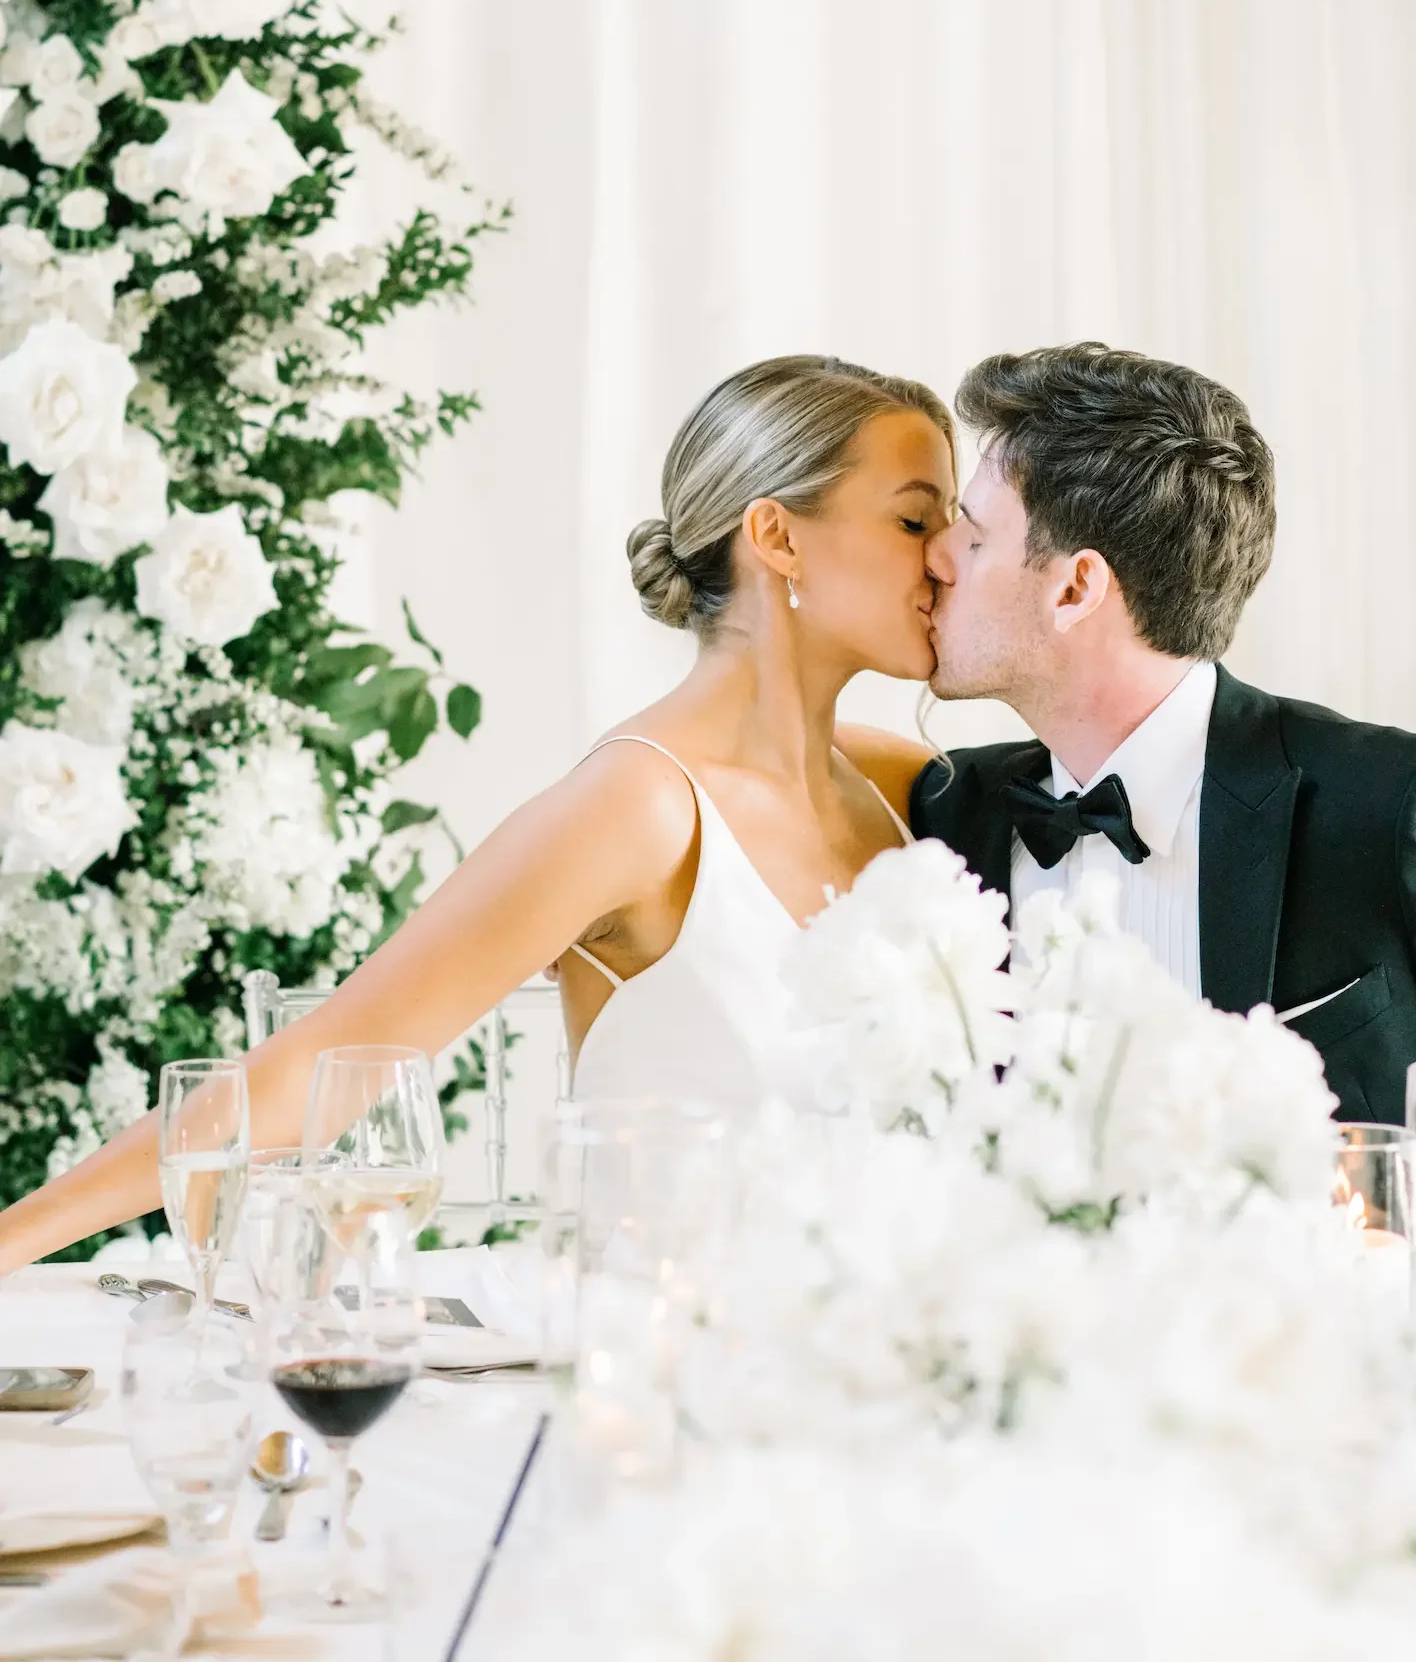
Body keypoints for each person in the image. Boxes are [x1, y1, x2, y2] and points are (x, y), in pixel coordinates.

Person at [0, 355, 954, 1274]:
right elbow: (317, 1071)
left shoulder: (909, 786)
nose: (949, 556)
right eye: (917, 521)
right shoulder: (638, 808)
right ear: (777, 537)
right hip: (668, 1386)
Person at [909, 341, 1416, 1271]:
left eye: (970, 534)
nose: (936, 557)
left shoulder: (1396, 809)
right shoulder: (948, 818)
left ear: (1076, 586)